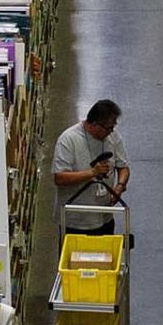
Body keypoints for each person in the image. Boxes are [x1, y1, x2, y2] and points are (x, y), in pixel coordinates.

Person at [52, 99, 130, 235]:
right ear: (94, 124)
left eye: (113, 127)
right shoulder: (68, 140)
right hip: (75, 222)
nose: (111, 131)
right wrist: (93, 172)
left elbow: (123, 167)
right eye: (108, 128)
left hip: (104, 216)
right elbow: (60, 178)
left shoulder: (113, 137)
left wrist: (120, 186)